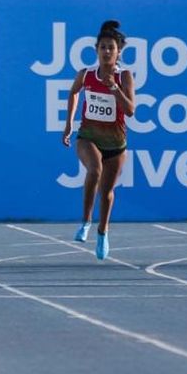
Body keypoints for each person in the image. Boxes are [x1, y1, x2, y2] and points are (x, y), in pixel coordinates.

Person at [62, 20, 136, 261]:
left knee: (107, 192)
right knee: (94, 170)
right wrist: (68, 125)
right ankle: (85, 221)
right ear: (96, 50)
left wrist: (114, 88)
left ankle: (103, 232)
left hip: (116, 144)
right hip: (88, 137)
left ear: (118, 52)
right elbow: (73, 93)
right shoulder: (86, 75)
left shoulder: (124, 76)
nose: (106, 52)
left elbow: (131, 110)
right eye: (102, 47)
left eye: (111, 48)